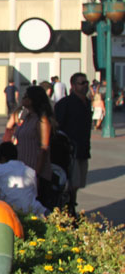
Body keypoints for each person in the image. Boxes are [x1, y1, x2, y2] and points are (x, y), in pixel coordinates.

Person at [54, 73, 91, 217]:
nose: (85, 85)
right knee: (71, 184)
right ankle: (68, 210)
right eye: (82, 83)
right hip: (70, 151)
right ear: (74, 86)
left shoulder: (86, 103)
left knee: (78, 184)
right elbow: (58, 127)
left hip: (83, 149)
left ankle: (71, 207)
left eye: (86, 82)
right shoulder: (66, 103)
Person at [13, 85, 54, 209]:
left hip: (36, 169)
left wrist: (36, 173)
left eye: (26, 97)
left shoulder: (41, 121)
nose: (22, 98)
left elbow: (44, 148)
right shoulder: (27, 117)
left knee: (36, 205)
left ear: (33, 99)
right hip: (22, 167)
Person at [0, 142, 46, 216]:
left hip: (10, 212)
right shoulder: (31, 171)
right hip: (34, 211)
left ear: (3, 158)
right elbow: (34, 194)